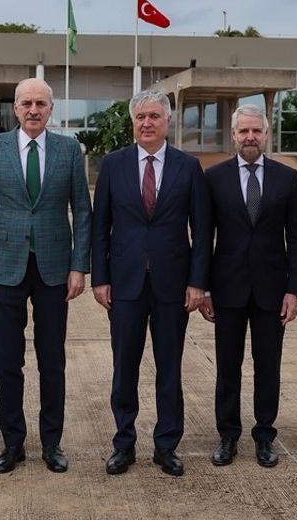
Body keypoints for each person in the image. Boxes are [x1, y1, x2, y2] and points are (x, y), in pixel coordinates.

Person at [0, 78, 91, 474]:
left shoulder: (70, 150)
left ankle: (52, 443)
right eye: (26, 103)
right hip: (5, 266)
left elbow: (83, 212)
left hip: (55, 268)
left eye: (41, 103)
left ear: (51, 109)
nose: (33, 109)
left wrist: (79, 265)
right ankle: (12, 442)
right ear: (15, 109)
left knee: (51, 359)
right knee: (7, 359)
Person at [92, 89, 211, 477]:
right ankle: (123, 444)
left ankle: (166, 445)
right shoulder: (113, 165)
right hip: (124, 285)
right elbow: (100, 227)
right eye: (140, 116)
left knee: (169, 368)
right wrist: (100, 278)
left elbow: (202, 228)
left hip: (172, 287)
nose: (146, 123)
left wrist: (198, 283)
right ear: (133, 121)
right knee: (124, 367)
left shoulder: (188, 167)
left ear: (168, 121)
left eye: (154, 117)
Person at [199, 104, 297, 468]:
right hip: (226, 290)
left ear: (266, 134)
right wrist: (204, 289)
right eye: (243, 131)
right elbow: (203, 237)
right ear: (233, 135)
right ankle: (227, 435)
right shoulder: (213, 178)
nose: (249, 137)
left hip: (271, 292)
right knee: (227, 367)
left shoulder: (286, 177)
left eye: (255, 131)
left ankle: (264, 436)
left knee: (268, 366)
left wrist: (294, 290)